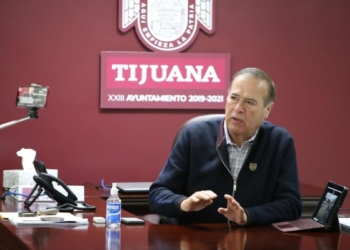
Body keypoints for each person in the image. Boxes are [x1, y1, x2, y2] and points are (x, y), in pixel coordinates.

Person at [148, 67, 302, 226]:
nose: (238, 108)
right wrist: (183, 203)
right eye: (234, 98)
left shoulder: (279, 142)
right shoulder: (194, 135)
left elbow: (291, 205)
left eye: (249, 102)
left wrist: (247, 216)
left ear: (267, 110)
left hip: (252, 241)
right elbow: (157, 195)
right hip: (197, 240)